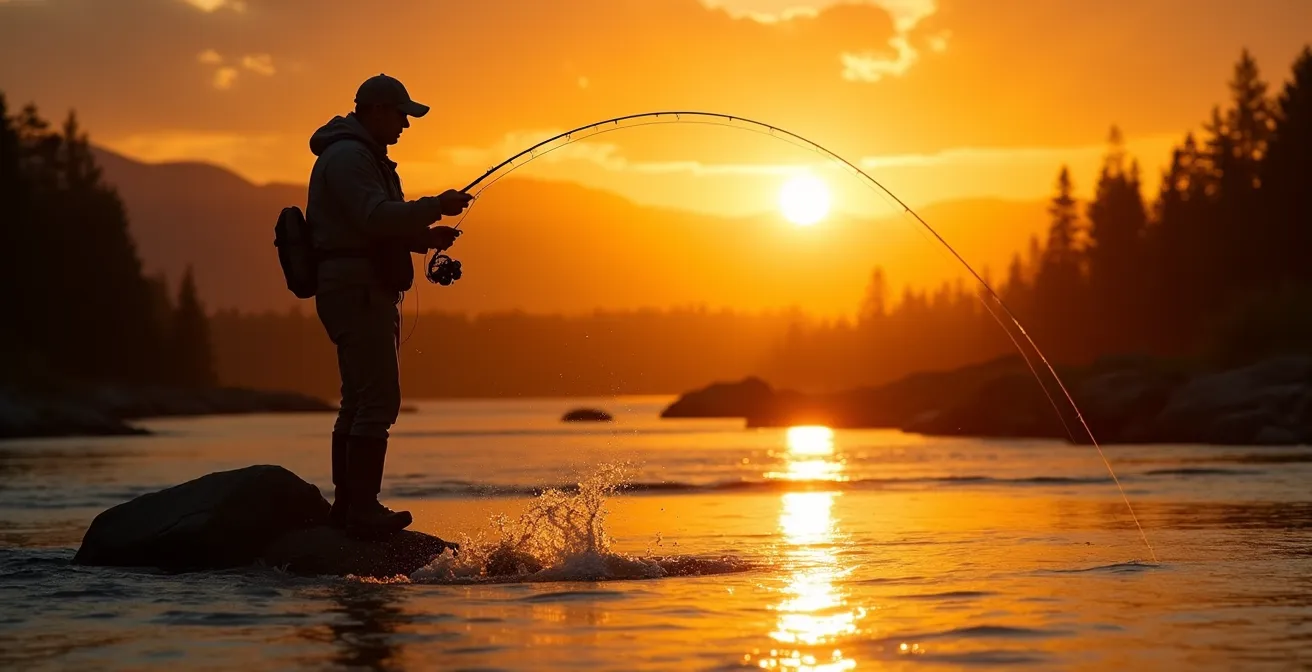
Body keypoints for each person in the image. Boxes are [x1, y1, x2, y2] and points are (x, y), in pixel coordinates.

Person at [306, 73, 472, 536]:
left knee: (357, 399)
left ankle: (347, 506)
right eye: (401, 115)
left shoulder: (360, 157)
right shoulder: (348, 158)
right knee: (378, 399)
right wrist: (435, 205)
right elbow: (375, 217)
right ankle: (361, 508)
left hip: (358, 285)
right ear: (376, 111)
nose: (405, 124)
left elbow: (371, 225)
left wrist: (424, 239)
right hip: (357, 289)